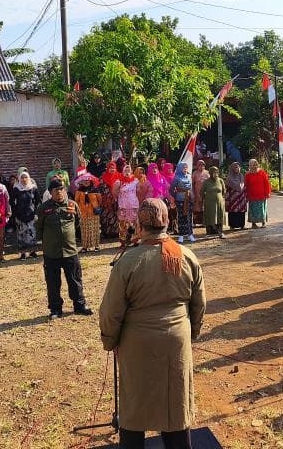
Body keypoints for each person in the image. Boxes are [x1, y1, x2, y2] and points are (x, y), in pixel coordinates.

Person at [99, 198, 206, 448]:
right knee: (175, 404)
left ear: (139, 225)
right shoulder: (187, 256)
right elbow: (199, 304)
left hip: (137, 343)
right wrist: (191, 333)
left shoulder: (128, 261)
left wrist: (109, 340)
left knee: (134, 404)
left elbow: (111, 311)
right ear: (167, 221)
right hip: (176, 340)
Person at [36, 178, 93, 318]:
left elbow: (77, 223)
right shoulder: (43, 208)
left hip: (70, 250)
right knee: (53, 282)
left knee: (75, 279)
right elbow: (39, 228)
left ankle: (80, 305)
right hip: (52, 252)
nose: (60, 192)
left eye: (62, 189)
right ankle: (55, 309)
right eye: (56, 190)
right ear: (50, 192)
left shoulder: (72, 205)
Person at [10, 170, 43, 260]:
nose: (24, 179)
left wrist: (35, 211)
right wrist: (15, 211)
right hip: (20, 215)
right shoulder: (16, 189)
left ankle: (32, 252)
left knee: (32, 233)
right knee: (21, 234)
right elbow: (11, 201)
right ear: (19, 179)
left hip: (31, 214)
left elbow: (38, 200)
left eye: (25, 177)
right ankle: (23, 253)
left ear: (29, 178)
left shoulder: (33, 188)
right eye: (22, 178)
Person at [74, 172, 101, 253]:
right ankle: (85, 246)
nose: (86, 182)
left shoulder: (95, 190)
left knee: (95, 229)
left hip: (93, 213)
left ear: (90, 181)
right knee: (84, 231)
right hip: (83, 213)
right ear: (82, 181)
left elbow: (100, 200)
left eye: (88, 180)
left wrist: (95, 206)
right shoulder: (79, 190)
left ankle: (96, 245)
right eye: (84, 180)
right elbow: (76, 201)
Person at [114, 165, 140, 247]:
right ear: (123, 171)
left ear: (131, 171)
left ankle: (135, 239)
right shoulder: (119, 181)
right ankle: (123, 241)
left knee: (135, 222)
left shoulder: (136, 180)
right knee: (123, 223)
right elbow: (115, 192)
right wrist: (120, 198)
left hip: (133, 204)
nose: (127, 172)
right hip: (123, 205)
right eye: (125, 170)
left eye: (129, 170)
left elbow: (138, 190)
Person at [170, 162, 195, 243]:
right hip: (180, 200)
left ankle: (190, 234)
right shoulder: (176, 177)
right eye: (184, 167)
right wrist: (177, 196)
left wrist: (192, 197)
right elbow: (171, 189)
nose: (185, 169)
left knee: (189, 217)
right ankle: (181, 235)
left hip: (189, 199)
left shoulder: (189, 176)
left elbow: (191, 188)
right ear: (180, 168)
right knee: (181, 217)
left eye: (186, 167)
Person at [244, 159, 271, 229]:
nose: (255, 166)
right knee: (253, 210)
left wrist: (268, 192)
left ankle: (263, 223)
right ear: (250, 165)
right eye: (253, 165)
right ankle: (253, 224)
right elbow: (246, 185)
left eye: (256, 164)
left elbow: (266, 183)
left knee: (262, 209)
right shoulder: (248, 174)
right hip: (252, 195)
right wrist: (246, 195)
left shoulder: (262, 172)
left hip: (262, 194)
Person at [201, 166, 226, 238]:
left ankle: (220, 232)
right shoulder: (206, 182)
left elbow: (224, 191)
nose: (216, 174)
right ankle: (209, 233)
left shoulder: (220, 180)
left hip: (219, 202)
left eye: (217, 172)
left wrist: (220, 197)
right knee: (209, 216)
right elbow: (201, 192)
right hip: (209, 203)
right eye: (214, 172)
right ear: (210, 173)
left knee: (219, 216)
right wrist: (206, 199)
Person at [99, 161, 121, 239]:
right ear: (108, 169)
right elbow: (99, 189)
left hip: (116, 200)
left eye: (113, 168)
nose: (112, 169)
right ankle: (106, 233)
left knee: (115, 217)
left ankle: (115, 232)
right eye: (110, 168)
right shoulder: (102, 178)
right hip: (105, 202)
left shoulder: (119, 177)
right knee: (105, 217)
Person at [224, 162, 247, 230]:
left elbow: (244, 186)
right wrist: (227, 199)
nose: (238, 168)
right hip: (233, 198)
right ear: (232, 168)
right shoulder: (229, 178)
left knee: (241, 212)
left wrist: (245, 196)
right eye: (236, 167)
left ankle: (242, 225)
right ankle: (232, 226)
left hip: (241, 198)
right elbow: (227, 189)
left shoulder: (241, 176)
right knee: (233, 211)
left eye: (239, 167)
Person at [191, 160, 210, 227]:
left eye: (203, 165)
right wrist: (193, 193)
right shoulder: (195, 173)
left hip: (205, 193)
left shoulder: (207, 173)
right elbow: (192, 184)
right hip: (197, 193)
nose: (201, 166)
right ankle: (195, 223)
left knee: (204, 207)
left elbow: (209, 182)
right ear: (197, 166)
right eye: (200, 165)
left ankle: (204, 222)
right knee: (197, 208)